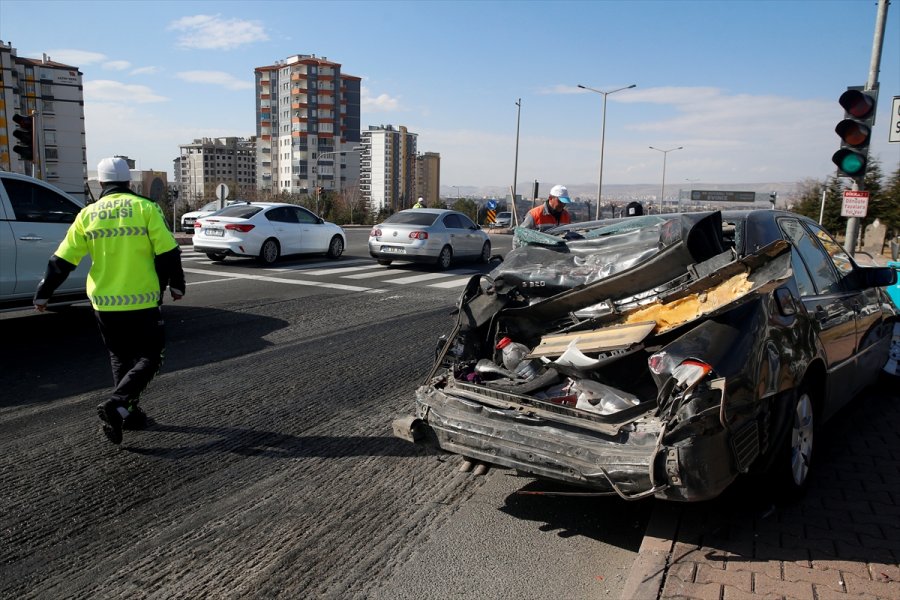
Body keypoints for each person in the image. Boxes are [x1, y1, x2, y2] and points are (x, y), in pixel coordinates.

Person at [33, 157, 186, 445]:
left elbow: (63, 259)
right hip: (142, 300)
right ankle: (117, 404)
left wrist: (44, 292)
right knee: (152, 357)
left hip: (104, 302)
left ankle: (128, 413)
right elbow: (168, 252)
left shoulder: (87, 214)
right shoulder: (145, 208)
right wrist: (177, 284)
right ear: (128, 181)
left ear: (100, 183)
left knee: (120, 356)